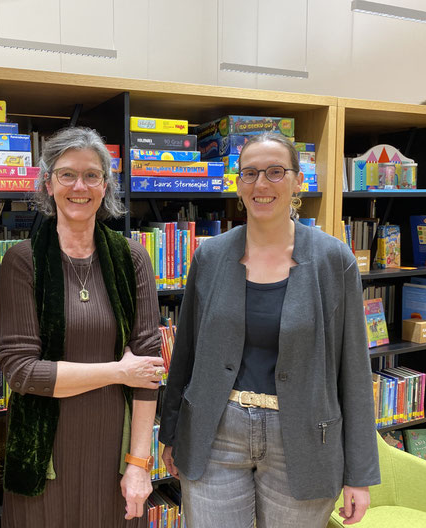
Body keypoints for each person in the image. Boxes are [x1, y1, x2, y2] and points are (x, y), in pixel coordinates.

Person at [159, 132, 380, 528]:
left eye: (276, 172)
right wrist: (171, 433)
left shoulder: (334, 259)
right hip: (214, 434)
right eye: (250, 173)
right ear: (238, 183)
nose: (261, 184)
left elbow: (355, 371)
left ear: (298, 182)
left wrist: (359, 475)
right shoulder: (208, 256)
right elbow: (186, 353)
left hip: (305, 440)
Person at [0, 126, 163, 527]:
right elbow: (21, 372)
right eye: (67, 174)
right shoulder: (23, 261)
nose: (80, 186)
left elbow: (149, 373)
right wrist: (118, 371)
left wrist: (139, 464)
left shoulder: (132, 258)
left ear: (105, 186)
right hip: (45, 452)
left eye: (92, 175)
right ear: (48, 184)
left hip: (114, 449)